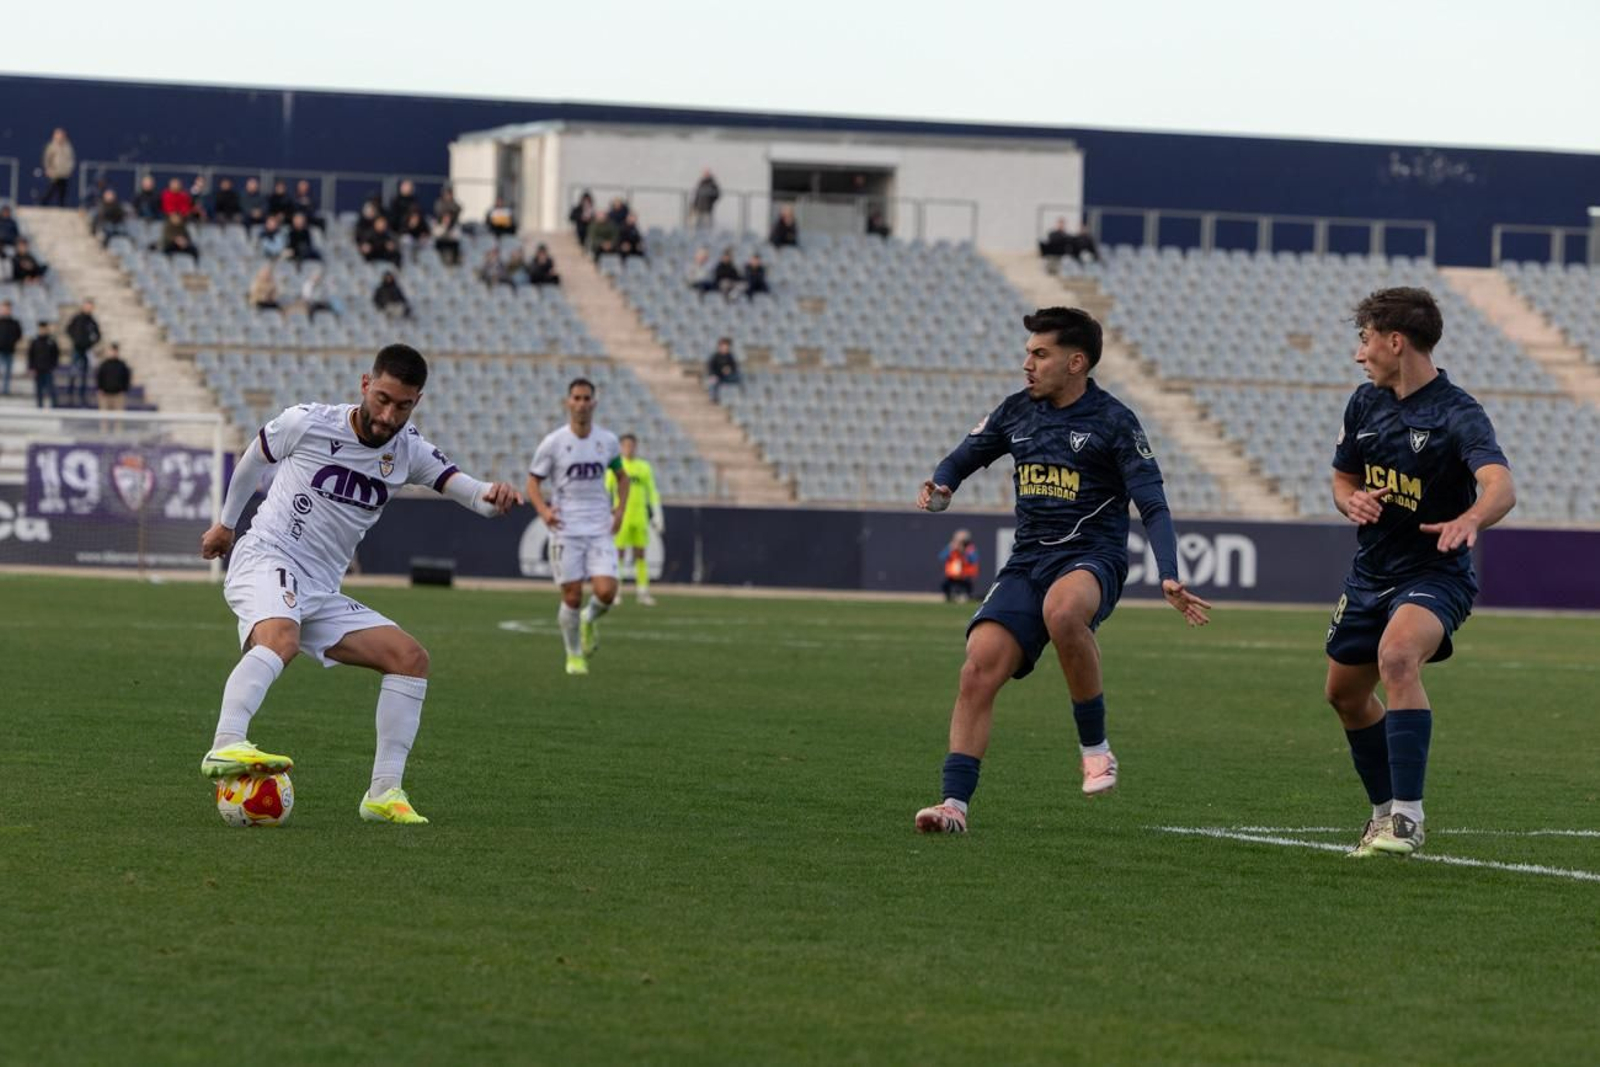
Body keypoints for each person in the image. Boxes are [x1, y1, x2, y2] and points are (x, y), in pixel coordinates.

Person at [912, 306, 1211, 834]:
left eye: (1039, 353)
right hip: (1029, 560)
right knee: (978, 667)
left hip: (1093, 556)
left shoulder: (1114, 421)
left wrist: (1169, 571)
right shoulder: (1015, 412)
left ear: (1076, 363)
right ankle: (953, 806)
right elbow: (961, 458)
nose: (1027, 363)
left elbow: (1154, 504)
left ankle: (1095, 749)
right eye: (1028, 352)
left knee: (1063, 610)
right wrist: (942, 485)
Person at [197, 343, 523, 825]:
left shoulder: (409, 450)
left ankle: (383, 793)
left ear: (417, 402)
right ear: (365, 385)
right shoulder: (308, 422)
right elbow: (253, 458)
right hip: (267, 555)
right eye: (384, 399)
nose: (389, 415)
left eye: (403, 405)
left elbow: (473, 495)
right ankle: (225, 745)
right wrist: (227, 523)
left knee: (409, 659)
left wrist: (496, 497)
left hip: (319, 590)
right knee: (280, 638)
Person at [1324, 287, 1517, 858]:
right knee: (1343, 695)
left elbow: (1501, 486)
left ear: (1395, 341)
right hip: (1369, 573)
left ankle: (1408, 817)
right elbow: (1342, 480)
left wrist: (1472, 518)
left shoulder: (1459, 413)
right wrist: (1351, 501)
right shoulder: (1363, 404)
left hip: (1436, 575)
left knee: (1398, 656)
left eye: (1364, 341)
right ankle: (1382, 812)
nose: (1360, 355)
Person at [526, 378, 628, 676]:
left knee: (607, 592)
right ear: (568, 403)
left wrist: (619, 510)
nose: (582, 403)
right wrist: (544, 511)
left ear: (594, 403)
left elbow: (621, 477)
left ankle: (589, 619)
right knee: (571, 595)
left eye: (587, 398)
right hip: (566, 528)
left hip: (599, 526)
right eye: (577, 398)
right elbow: (533, 481)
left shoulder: (607, 441)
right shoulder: (554, 443)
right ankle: (574, 655)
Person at [607, 433, 663, 606]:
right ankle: (616, 591)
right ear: (620, 447)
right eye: (625, 445)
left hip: (639, 517)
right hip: (621, 517)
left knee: (640, 555)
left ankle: (642, 591)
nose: (629, 449)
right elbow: (606, 490)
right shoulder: (616, 467)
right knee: (619, 555)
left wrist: (657, 514)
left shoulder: (643, 467)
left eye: (631, 445)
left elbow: (652, 492)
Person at [65, 299, 102, 407]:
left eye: (90, 306)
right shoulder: (77, 318)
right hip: (77, 349)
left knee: (85, 374)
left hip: (86, 350)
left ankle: (82, 396)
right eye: (87, 306)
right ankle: (70, 395)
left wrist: (90, 343)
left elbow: (98, 335)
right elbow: (68, 329)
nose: (88, 308)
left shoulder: (92, 321)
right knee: (73, 372)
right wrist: (75, 339)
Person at [95, 342, 132, 427]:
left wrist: (124, 389)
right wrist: (100, 389)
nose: (113, 353)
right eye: (111, 350)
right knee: (104, 418)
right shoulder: (103, 365)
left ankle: (118, 435)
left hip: (118, 395)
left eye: (115, 351)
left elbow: (126, 377)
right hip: (105, 395)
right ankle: (104, 434)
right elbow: (99, 377)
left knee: (119, 418)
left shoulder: (122, 365)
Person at [940, 530, 979, 602]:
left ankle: (967, 597)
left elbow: (974, 559)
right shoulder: (951, 548)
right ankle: (949, 597)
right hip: (953, 575)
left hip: (965, 575)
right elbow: (942, 557)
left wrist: (964, 552)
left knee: (967, 585)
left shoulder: (970, 549)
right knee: (945, 584)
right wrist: (950, 549)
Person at [28, 321, 60, 408]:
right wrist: (31, 367)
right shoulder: (35, 341)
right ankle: (40, 406)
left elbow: (56, 354)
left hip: (48, 369)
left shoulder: (51, 341)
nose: (42, 331)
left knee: (51, 388)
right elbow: (31, 355)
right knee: (39, 389)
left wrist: (53, 365)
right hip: (38, 369)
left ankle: (54, 406)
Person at [40, 129, 75, 207]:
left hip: (64, 172)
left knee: (63, 189)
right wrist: (48, 169)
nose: (61, 137)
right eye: (59, 135)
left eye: (62, 135)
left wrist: (69, 169)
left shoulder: (67, 147)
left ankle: (61, 204)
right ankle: (44, 202)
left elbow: (71, 159)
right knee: (52, 188)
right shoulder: (52, 146)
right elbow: (47, 158)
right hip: (55, 172)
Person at [705, 337, 742, 403]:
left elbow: (734, 367)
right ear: (720, 347)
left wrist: (730, 370)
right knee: (713, 381)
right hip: (717, 376)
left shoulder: (730, 356)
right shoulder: (715, 356)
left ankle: (740, 395)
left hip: (727, 376)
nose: (725, 348)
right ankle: (714, 398)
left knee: (740, 376)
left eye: (726, 346)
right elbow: (710, 368)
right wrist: (714, 374)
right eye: (723, 346)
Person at [0, 300, 21, 395]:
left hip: (9, 350)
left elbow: (18, 334)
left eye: (7, 308)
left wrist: (12, 342)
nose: (5, 310)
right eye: (4, 308)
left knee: (7, 372)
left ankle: (5, 390)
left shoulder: (14, 322)